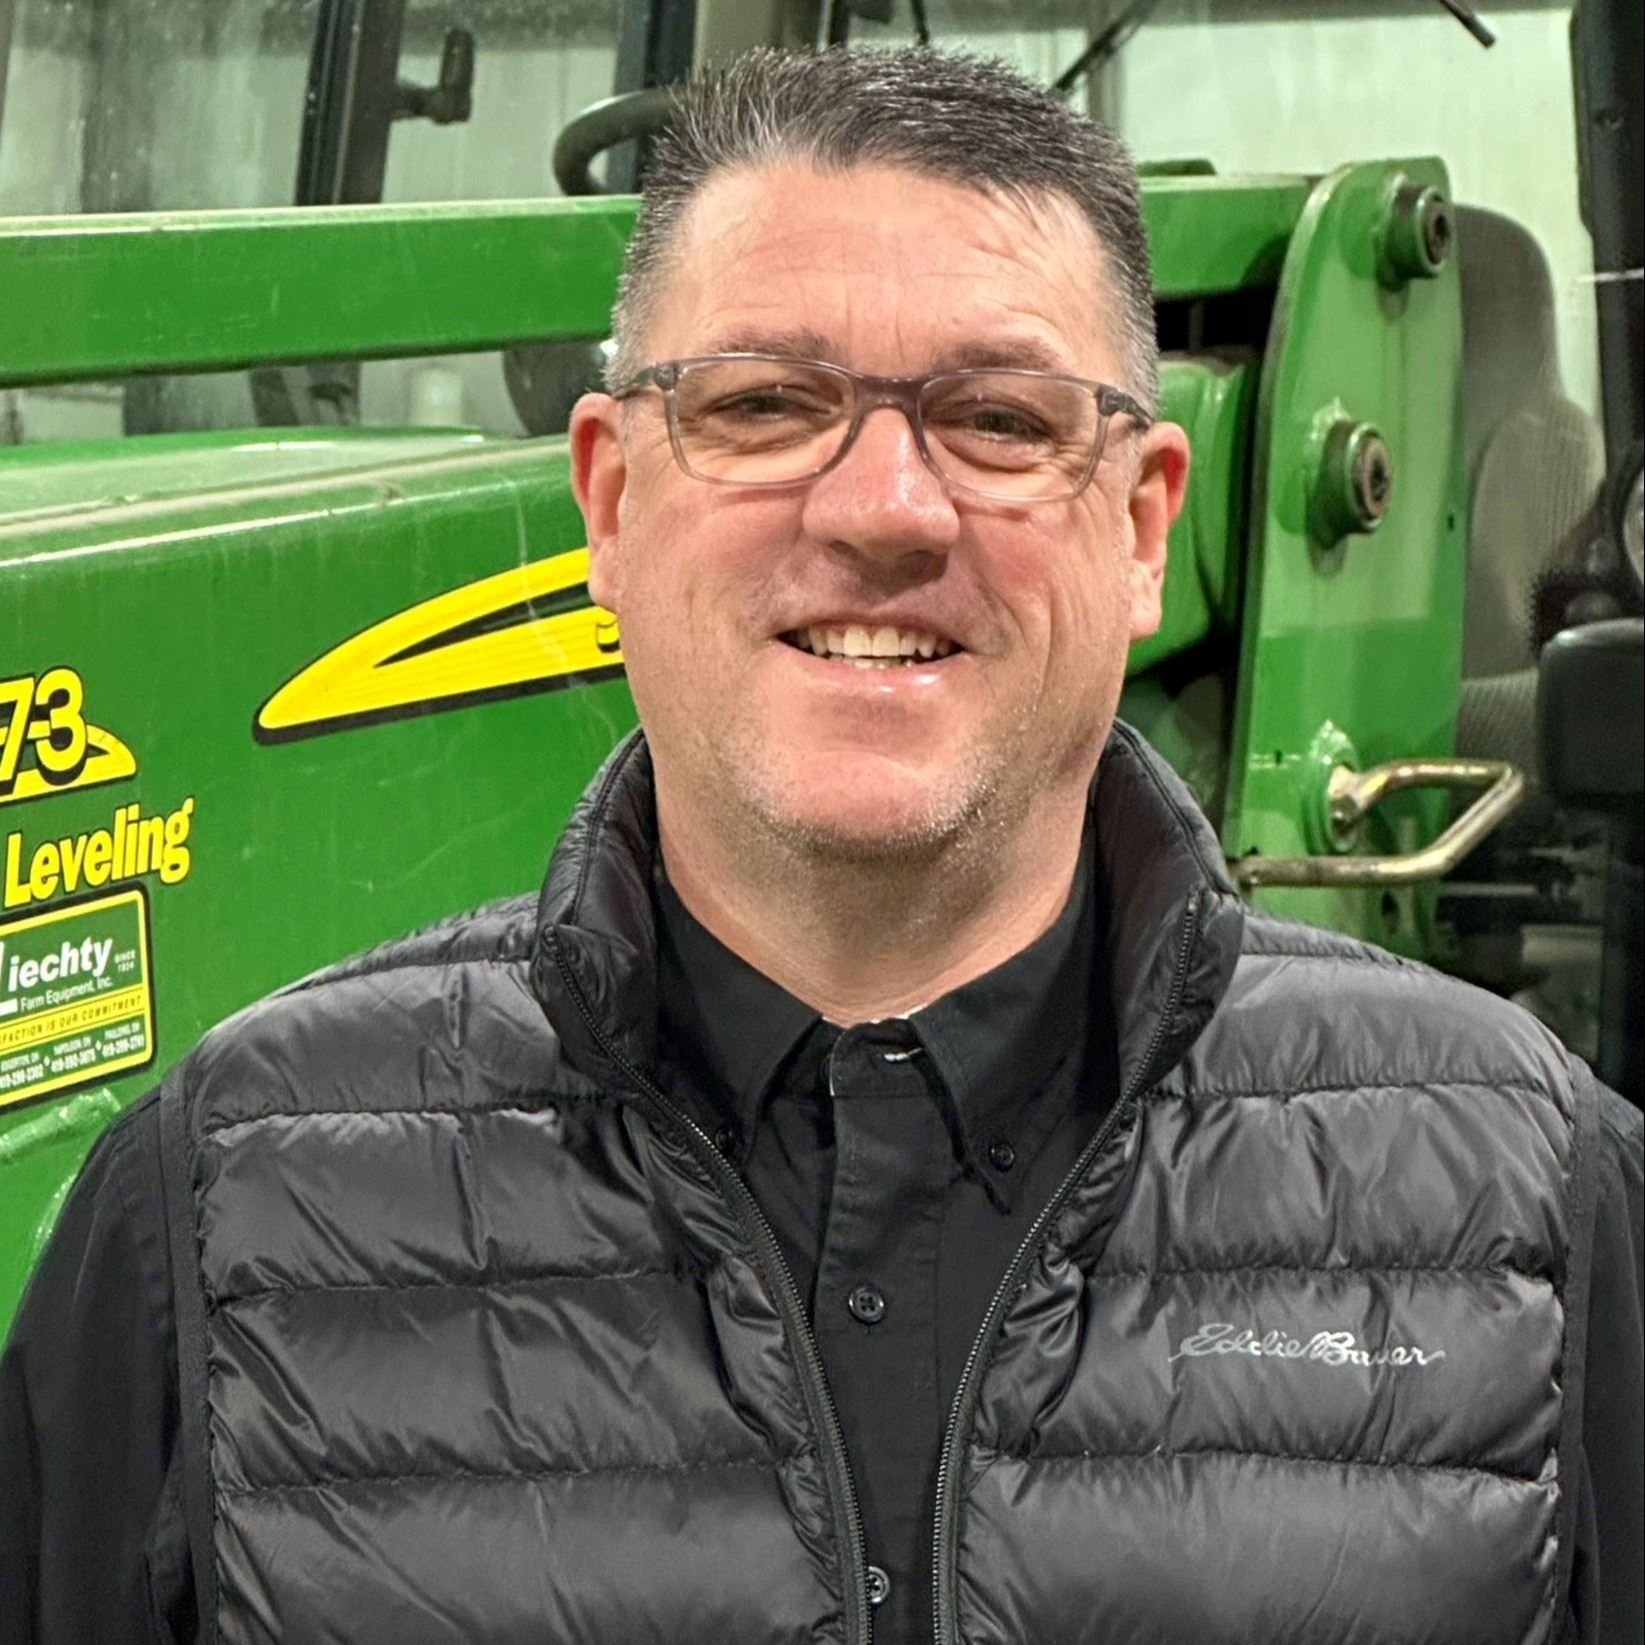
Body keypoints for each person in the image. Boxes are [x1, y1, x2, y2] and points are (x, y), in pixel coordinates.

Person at [2, 44, 1641, 1645]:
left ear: (1143, 528)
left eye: (999, 418)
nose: (882, 510)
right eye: (766, 402)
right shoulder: (212, 1219)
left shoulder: (1541, 1211)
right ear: (608, 501)